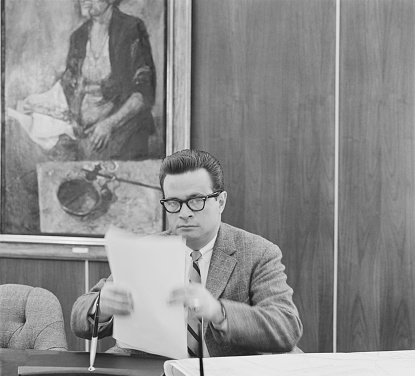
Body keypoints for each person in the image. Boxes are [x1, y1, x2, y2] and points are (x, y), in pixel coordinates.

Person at [71, 149, 303, 357]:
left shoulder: (258, 252)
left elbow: (286, 327)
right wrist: (102, 306)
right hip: (151, 375)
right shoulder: (146, 250)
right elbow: (79, 316)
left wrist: (218, 311)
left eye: (196, 201)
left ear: (220, 201)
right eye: (173, 202)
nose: (184, 213)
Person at [60, 0, 156, 160]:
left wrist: (109, 124)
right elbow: (70, 85)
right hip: (85, 134)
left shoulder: (131, 29)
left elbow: (144, 91)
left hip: (124, 131)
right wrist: (74, 117)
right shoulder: (78, 37)